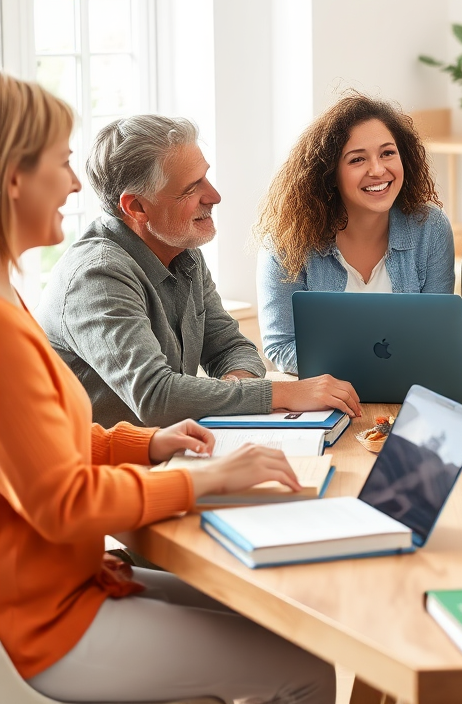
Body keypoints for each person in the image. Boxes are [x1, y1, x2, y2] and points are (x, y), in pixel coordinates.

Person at [0, 72, 335, 704]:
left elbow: (47, 452)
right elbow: (59, 501)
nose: (74, 185)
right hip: (49, 618)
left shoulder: (11, 299)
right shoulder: (51, 298)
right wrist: (206, 478)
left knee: (293, 627)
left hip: (81, 576)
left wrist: (142, 446)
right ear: (15, 179)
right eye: (62, 163)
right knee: (307, 668)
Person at [37, 114, 361, 427]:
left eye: (206, 176)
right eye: (192, 188)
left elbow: (232, 347)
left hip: (167, 452)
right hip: (99, 472)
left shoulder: (182, 248)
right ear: (136, 207)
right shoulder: (97, 275)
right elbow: (156, 397)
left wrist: (238, 391)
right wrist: (281, 393)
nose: (215, 196)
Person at [255, 94, 455, 374]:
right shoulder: (286, 241)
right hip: (327, 400)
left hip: (408, 392)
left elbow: (435, 336)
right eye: (357, 159)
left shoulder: (430, 228)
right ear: (329, 172)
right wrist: (367, 364)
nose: (377, 169)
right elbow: (281, 346)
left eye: (387, 153)